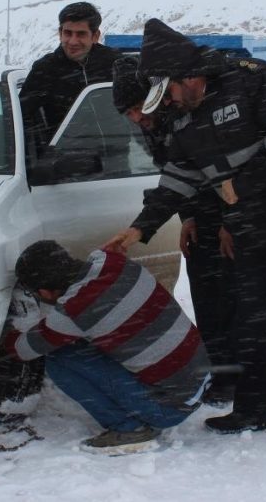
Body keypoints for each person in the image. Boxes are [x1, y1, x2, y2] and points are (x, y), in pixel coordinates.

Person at [104, 18, 266, 459]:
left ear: (191, 77)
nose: (170, 102)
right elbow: (178, 176)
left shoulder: (260, 82)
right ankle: (253, 410)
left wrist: (241, 186)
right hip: (251, 223)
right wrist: (140, 228)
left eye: (173, 91)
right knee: (253, 321)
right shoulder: (182, 118)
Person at [5, 240, 211, 455]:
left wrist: (5, 330)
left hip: (169, 409)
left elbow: (22, 350)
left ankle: (129, 429)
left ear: (45, 293)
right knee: (88, 340)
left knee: (58, 359)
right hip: (200, 377)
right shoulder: (115, 262)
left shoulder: (75, 310)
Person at [111, 56, 239, 405]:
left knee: (234, 302)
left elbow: (227, 172)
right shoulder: (151, 126)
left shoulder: (189, 116)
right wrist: (187, 217)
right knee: (207, 300)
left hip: (232, 212)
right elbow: (175, 177)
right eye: (128, 114)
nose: (136, 118)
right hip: (197, 213)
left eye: (138, 107)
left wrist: (232, 222)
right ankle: (220, 375)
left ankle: (241, 381)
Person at [19, 1, 121, 153]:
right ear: (60, 33)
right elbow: (22, 116)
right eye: (68, 33)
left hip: (118, 154)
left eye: (81, 34)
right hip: (67, 162)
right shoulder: (45, 69)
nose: (73, 41)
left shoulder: (114, 62)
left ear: (95, 36)